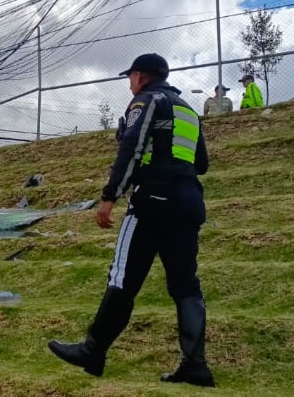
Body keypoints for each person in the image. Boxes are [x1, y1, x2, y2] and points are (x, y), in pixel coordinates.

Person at [48, 53, 215, 387]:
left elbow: (130, 148)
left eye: (130, 77)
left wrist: (109, 197)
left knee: (122, 279)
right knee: (185, 286)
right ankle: (195, 365)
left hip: (151, 203)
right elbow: (201, 162)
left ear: (140, 76)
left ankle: (93, 350)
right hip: (188, 204)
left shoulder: (144, 101)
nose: (129, 83)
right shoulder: (187, 109)